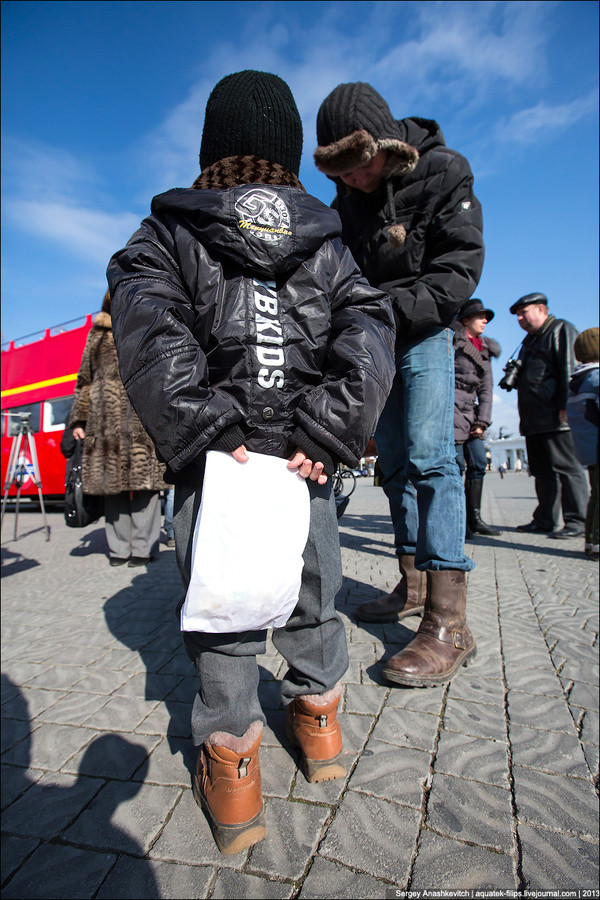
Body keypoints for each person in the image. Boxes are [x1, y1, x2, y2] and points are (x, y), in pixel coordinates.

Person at [107, 70, 396, 855]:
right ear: (291, 153)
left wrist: (203, 428)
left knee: (226, 617)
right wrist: (328, 429)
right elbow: (370, 333)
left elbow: (150, 329)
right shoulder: (330, 240)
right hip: (305, 465)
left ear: (211, 148)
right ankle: (321, 728)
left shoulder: (167, 232)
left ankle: (234, 770)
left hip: (217, 465)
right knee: (314, 592)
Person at [314, 82, 484, 686]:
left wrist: (384, 312)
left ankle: (449, 620)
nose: (353, 181)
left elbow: (458, 269)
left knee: (433, 460)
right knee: (393, 465)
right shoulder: (343, 198)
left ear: (386, 146)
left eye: (359, 166)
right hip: (374, 346)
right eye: (339, 171)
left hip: (425, 333)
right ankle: (412, 583)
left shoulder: (442, 171)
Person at [67, 290, 165, 566]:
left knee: (145, 490)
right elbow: (84, 380)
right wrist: (78, 419)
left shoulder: (147, 326)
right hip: (105, 423)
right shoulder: (97, 334)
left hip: (141, 422)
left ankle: (144, 549)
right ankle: (119, 549)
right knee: (113, 491)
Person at [508, 293, 589, 538]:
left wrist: (566, 406)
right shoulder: (528, 341)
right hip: (534, 418)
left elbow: (569, 368)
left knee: (567, 468)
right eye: (518, 316)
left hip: (556, 416)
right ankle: (544, 519)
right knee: (542, 471)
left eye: (524, 313)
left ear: (542, 309)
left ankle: (577, 521)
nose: (520, 319)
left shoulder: (561, 329)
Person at [453, 298, 501, 536]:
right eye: (480, 316)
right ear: (465, 320)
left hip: (472, 413)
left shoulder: (485, 349)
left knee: (479, 463)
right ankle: (459, 521)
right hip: (451, 409)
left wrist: (482, 421)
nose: (485, 321)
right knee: (456, 465)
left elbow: (487, 388)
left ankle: (475, 517)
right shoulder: (454, 341)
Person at [566, 327, 599, 559]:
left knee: (595, 495)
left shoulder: (578, 379)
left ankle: (590, 540)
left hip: (588, 448)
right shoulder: (596, 378)